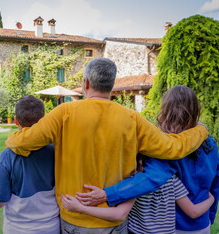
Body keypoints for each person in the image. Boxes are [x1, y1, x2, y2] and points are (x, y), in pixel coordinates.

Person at [5, 58, 209, 233]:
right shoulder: (132, 119)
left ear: (86, 83)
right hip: (115, 217)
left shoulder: (63, 113)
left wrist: (10, 140)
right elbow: (172, 148)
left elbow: (24, 141)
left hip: (75, 215)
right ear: (111, 86)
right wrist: (201, 130)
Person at [76, 86, 219, 234]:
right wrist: (210, 217)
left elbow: (149, 179)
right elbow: (215, 185)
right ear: (195, 109)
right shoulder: (210, 144)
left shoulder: (167, 145)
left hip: (176, 225)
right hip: (202, 224)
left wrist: (108, 194)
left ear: (166, 110)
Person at [0, 95, 59, 234]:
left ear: (16, 120)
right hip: (51, 226)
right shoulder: (56, 150)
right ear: (43, 120)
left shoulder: (7, 156)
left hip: (17, 228)